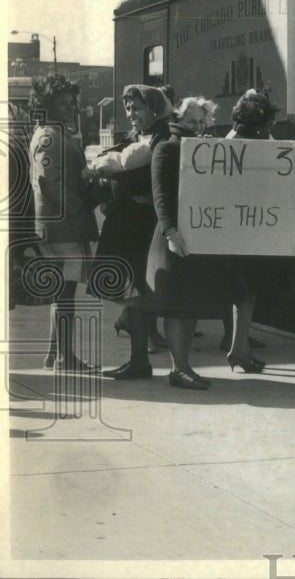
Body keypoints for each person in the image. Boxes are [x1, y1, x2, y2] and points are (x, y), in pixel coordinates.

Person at [146, 98, 249, 389]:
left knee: (189, 305)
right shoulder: (167, 147)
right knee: (178, 306)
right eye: (193, 122)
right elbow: (160, 196)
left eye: (203, 122)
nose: (199, 127)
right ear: (178, 118)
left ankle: (183, 366)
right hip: (175, 238)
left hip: (197, 237)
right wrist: (170, 232)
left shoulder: (209, 151)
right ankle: (179, 369)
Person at [92, 84, 174, 380]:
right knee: (133, 294)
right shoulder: (141, 137)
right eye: (128, 109)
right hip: (130, 222)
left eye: (137, 108)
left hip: (141, 227)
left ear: (154, 108)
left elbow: (138, 181)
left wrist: (115, 182)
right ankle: (138, 358)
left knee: (136, 293)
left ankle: (140, 361)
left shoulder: (162, 137)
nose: (131, 114)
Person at [28, 75, 99, 371]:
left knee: (63, 294)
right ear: (46, 106)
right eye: (63, 103)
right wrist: (79, 204)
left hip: (59, 226)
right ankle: (65, 358)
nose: (72, 108)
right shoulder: (50, 136)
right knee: (66, 294)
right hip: (62, 227)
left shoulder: (53, 132)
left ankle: (54, 354)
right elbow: (47, 180)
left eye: (73, 102)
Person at [220, 88, 279, 372]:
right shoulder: (242, 145)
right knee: (245, 291)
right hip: (244, 229)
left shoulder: (241, 140)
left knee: (247, 292)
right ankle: (238, 349)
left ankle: (239, 347)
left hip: (249, 226)